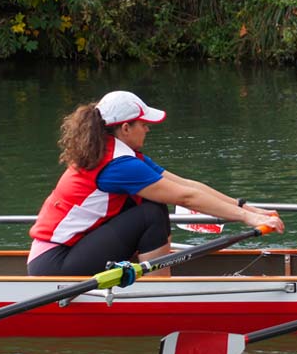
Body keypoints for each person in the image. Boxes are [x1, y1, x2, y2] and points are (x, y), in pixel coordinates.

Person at [27, 90, 284, 276]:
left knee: (152, 201)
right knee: (151, 211)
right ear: (125, 128)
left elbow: (185, 185)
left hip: (66, 251)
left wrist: (246, 208)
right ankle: (160, 288)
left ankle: (155, 275)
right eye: (143, 124)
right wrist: (246, 219)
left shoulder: (118, 153)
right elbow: (185, 199)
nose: (148, 129)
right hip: (54, 263)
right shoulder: (119, 165)